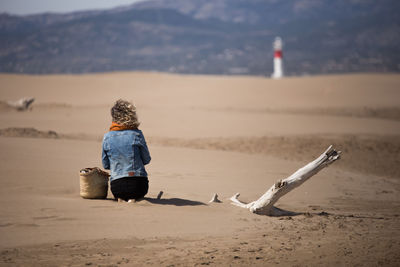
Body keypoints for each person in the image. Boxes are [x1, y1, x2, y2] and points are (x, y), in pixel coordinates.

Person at [102, 99, 151, 202]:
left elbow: (105, 165)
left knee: (120, 191)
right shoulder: (137, 134)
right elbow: (147, 159)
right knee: (137, 192)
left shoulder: (107, 137)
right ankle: (132, 199)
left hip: (117, 186)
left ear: (114, 117)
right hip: (138, 185)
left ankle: (121, 198)